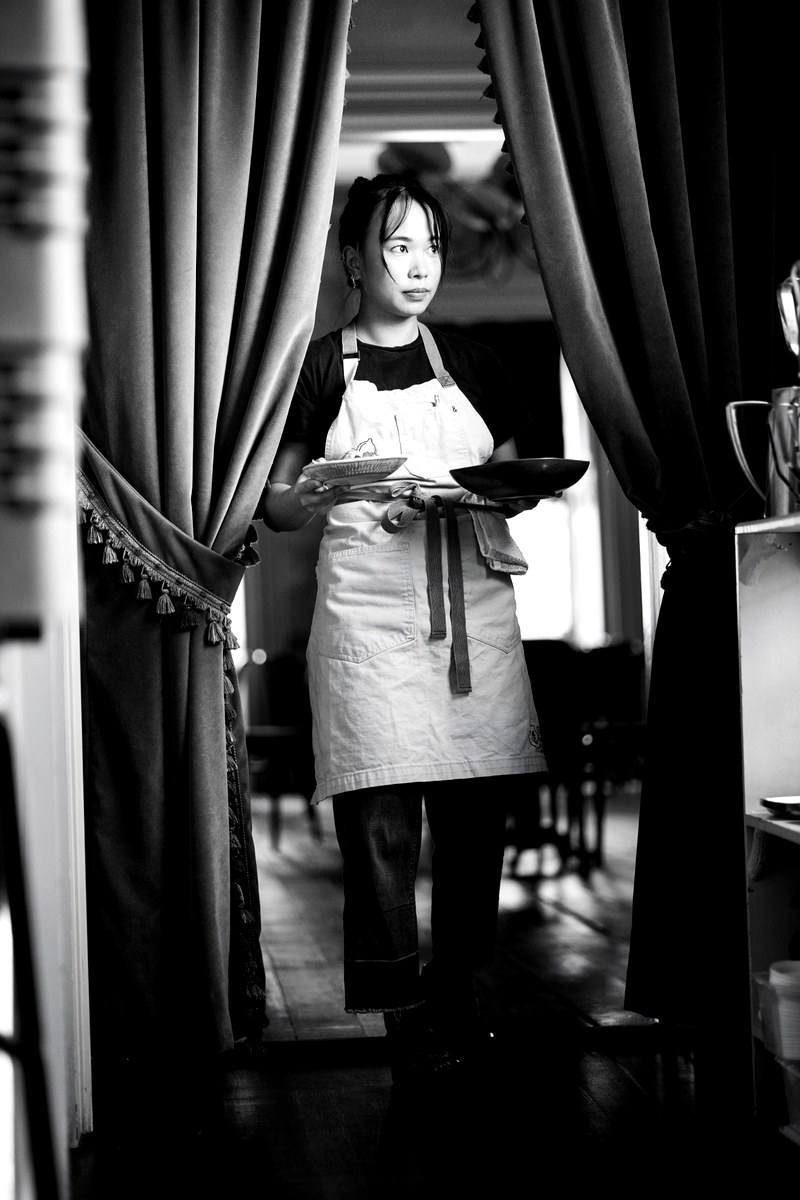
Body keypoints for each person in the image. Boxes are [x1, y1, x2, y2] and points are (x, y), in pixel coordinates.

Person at [262, 172, 548, 1083]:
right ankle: (403, 1017)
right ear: (356, 259)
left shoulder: (474, 362)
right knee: (381, 830)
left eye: (430, 245)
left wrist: (502, 491)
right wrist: (301, 494)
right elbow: (277, 506)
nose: (419, 265)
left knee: (474, 825)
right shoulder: (318, 368)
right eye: (398, 246)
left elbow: (513, 476)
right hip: (370, 623)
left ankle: (460, 992)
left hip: (475, 616)